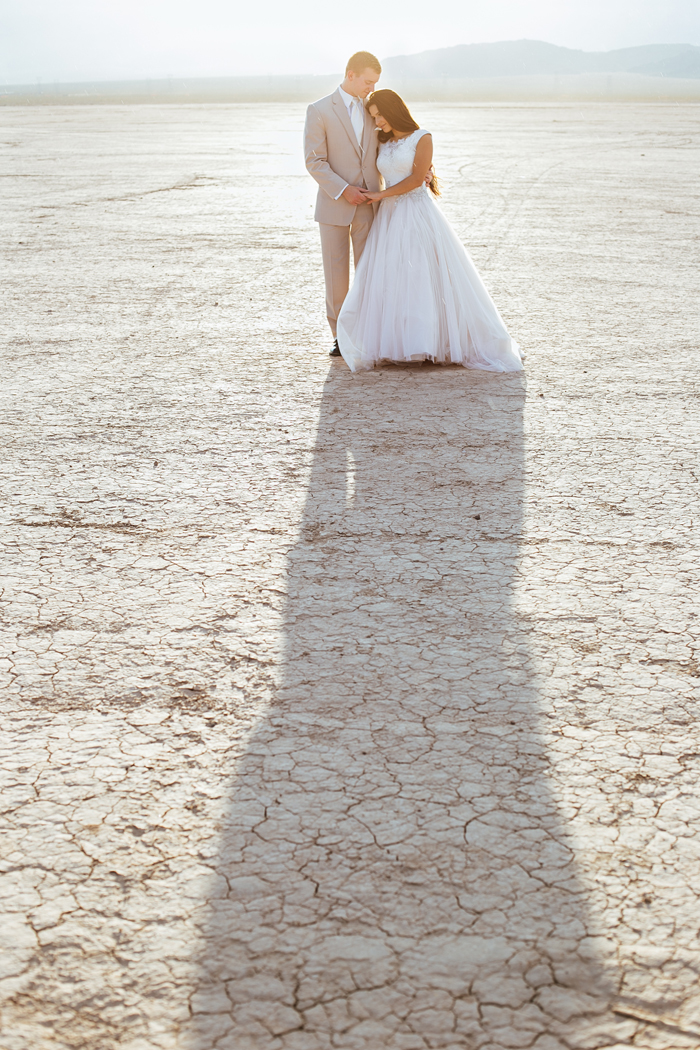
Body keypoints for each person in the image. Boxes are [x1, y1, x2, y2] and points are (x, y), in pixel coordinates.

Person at [336, 90, 524, 373]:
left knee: (421, 273)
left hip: (416, 212)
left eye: (379, 114)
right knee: (393, 274)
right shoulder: (381, 139)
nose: (376, 121)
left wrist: (380, 196)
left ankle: (427, 342)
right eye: (373, 116)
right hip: (388, 216)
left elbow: (414, 179)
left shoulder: (422, 137)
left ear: (394, 109)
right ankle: (397, 342)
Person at [303, 52, 382, 357]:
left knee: (368, 271)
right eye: (367, 81)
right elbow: (315, 161)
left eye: (375, 83)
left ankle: (367, 331)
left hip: (370, 204)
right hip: (335, 204)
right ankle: (340, 335)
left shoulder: (373, 109)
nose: (371, 88)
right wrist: (344, 189)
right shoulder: (320, 110)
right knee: (336, 274)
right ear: (351, 74)